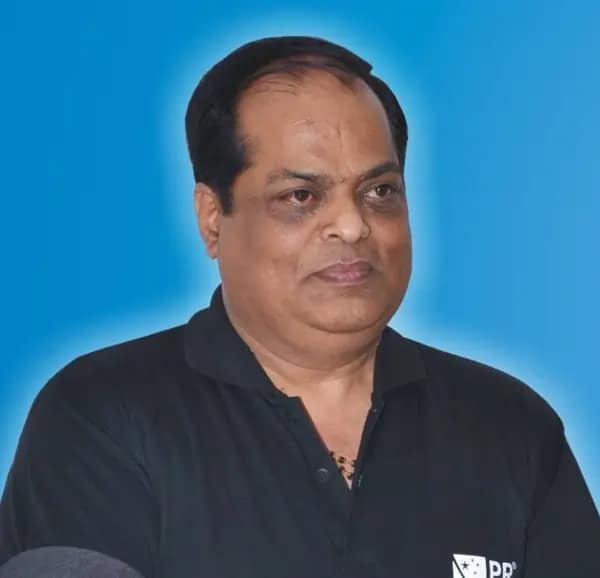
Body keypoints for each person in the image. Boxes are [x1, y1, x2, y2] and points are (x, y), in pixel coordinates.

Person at [0, 35, 598, 578]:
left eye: (379, 191)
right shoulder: (104, 416)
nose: (352, 225)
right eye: (301, 196)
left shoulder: (510, 427)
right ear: (213, 218)